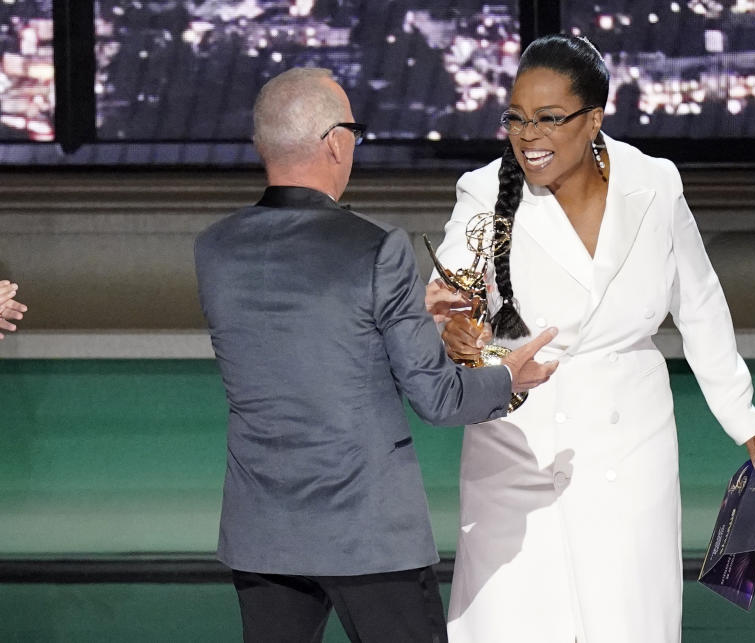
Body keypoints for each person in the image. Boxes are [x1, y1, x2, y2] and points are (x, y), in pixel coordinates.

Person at [426, 35, 755, 642]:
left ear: (595, 119)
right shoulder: (485, 190)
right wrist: (456, 333)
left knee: (627, 616)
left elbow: (697, 303)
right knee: (517, 620)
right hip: (520, 442)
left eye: (548, 119)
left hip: (631, 442)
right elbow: (444, 301)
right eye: (515, 118)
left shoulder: (655, 182)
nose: (527, 135)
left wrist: (742, 414)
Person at [194, 67, 558, 643]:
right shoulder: (375, 248)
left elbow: (308, 344)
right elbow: (437, 398)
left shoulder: (214, 250)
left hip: (263, 532)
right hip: (368, 533)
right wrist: (507, 377)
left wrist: (407, 317)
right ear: (335, 141)